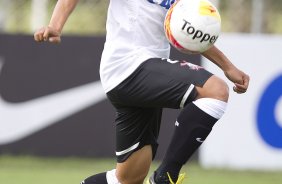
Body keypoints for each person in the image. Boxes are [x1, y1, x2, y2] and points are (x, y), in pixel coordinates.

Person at [34, 0, 250, 183]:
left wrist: (228, 66)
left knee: (129, 177)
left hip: (145, 70)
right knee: (215, 90)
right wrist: (55, 24)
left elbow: (191, 29)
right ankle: (166, 177)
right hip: (126, 65)